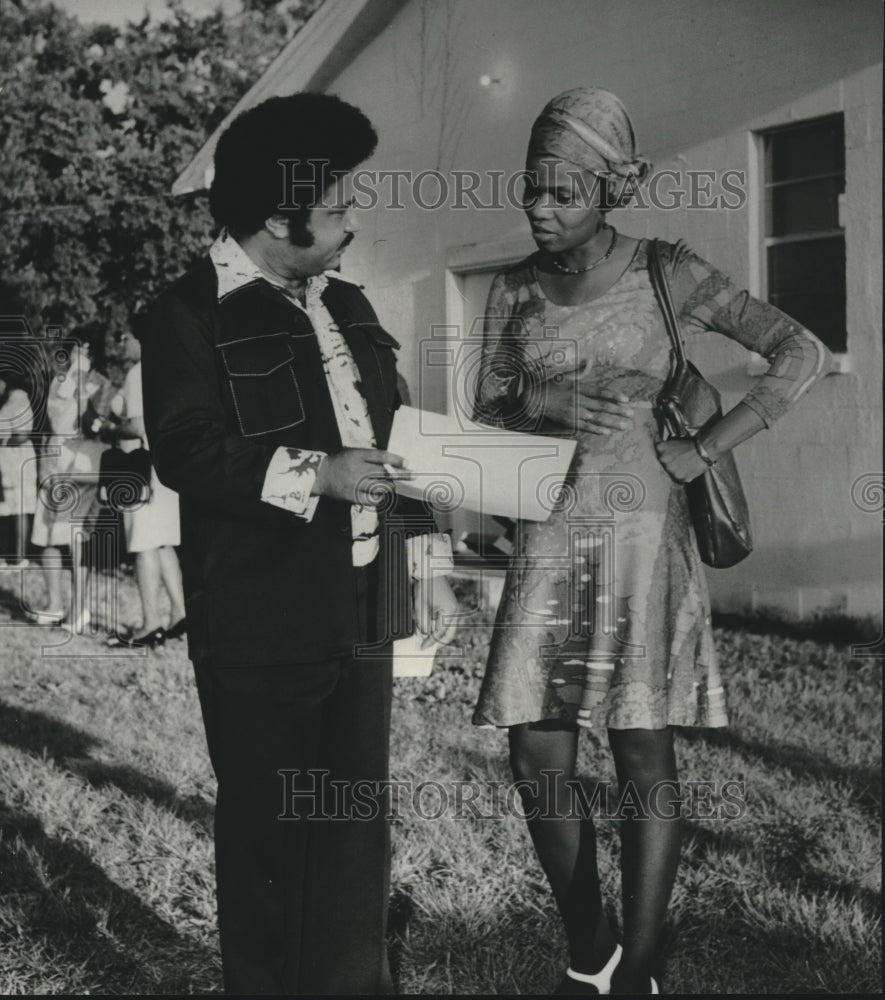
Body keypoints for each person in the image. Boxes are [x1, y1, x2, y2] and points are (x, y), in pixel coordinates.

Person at [472, 87, 831, 995]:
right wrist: (544, 402)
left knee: (640, 746)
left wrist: (706, 444)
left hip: (642, 542)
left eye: (562, 193)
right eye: (531, 190)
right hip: (549, 537)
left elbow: (799, 351)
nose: (540, 209)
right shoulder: (514, 286)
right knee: (536, 751)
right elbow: (488, 408)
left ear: (608, 188)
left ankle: (638, 967)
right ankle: (587, 949)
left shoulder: (669, 272)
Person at [138, 93, 458, 995]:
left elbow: (394, 441)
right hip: (259, 623)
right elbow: (187, 450)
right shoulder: (184, 315)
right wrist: (316, 473)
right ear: (281, 218)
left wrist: (422, 563)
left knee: (355, 827)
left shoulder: (345, 303)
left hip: (362, 612)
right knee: (270, 837)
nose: (355, 222)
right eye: (341, 207)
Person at [28, 326, 115, 628]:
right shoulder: (59, 382)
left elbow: (95, 426)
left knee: (77, 537)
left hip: (83, 465)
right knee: (48, 534)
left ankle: (79, 609)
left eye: (88, 350)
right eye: (77, 348)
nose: (81, 355)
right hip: (55, 461)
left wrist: (83, 392)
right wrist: (42, 465)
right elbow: (51, 424)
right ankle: (53, 603)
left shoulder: (102, 384)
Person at [105, 329, 185, 649]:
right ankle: (181, 612)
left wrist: (110, 428)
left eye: (125, 337)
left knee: (143, 544)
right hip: (167, 467)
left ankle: (150, 623)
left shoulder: (139, 373)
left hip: (141, 468)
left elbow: (137, 425)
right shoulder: (169, 369)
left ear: (141, 339)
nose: (122, 343)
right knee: (164, 543)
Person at [0, 370, 38, 566]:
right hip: (4, 462)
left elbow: (23, 434)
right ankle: (3, 555)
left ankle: (20, 557)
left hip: (19, 461)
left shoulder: (19, 398)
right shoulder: (3, 400)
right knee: (5, 509)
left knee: (20, 509)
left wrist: (2, 442)